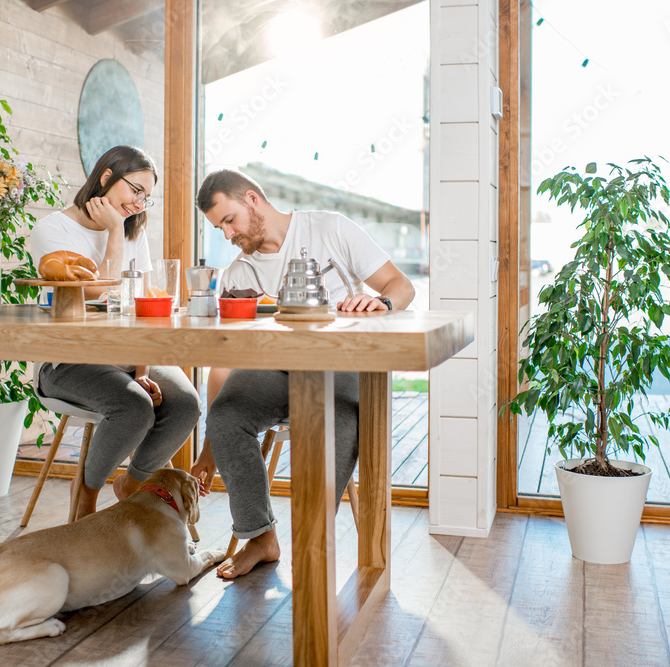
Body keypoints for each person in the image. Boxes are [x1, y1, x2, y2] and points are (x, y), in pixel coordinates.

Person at [191, 168, 416, 579]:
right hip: (276, 371)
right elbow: (221, 360)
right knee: (226, 417)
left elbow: (401, 285)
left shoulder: (329, 228)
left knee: (334, 422)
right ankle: (260, 538)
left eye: (228, 220)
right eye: (218, 226)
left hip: (343, 366)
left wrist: (380, 302)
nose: (227, 235)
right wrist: (208, 447)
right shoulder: (239, 276)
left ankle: (312, 545)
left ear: (252, 200)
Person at [30, 146, 200, 520]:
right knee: (134, 407)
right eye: (135, 190)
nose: (140, 203)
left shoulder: (134, 232)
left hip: (125, 355)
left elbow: (142, 309)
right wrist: (114, 232)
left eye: (146, 198)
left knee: (187, 402)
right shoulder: (52, 230)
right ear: (106, 177)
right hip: (68, 362)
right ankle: (86, 493)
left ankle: (133, 482)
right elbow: (95, 290)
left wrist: (142, 370)